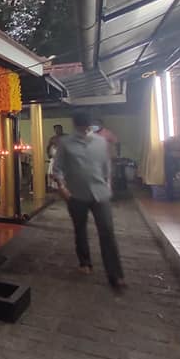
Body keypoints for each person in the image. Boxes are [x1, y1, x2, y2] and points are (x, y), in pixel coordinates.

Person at [53, 111, 125, 289]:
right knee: (80, 229)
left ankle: (115, 274)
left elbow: (106, 165)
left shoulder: (100, 142)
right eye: (82, 126)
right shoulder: (66, 143)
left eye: (87, 126)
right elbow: (58, 167)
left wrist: (108, 182)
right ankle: (85, 262)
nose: (85, 130)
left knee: (107, 231)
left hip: (100, 194)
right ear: (76, 125)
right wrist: (62, 187)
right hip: (76, 194)